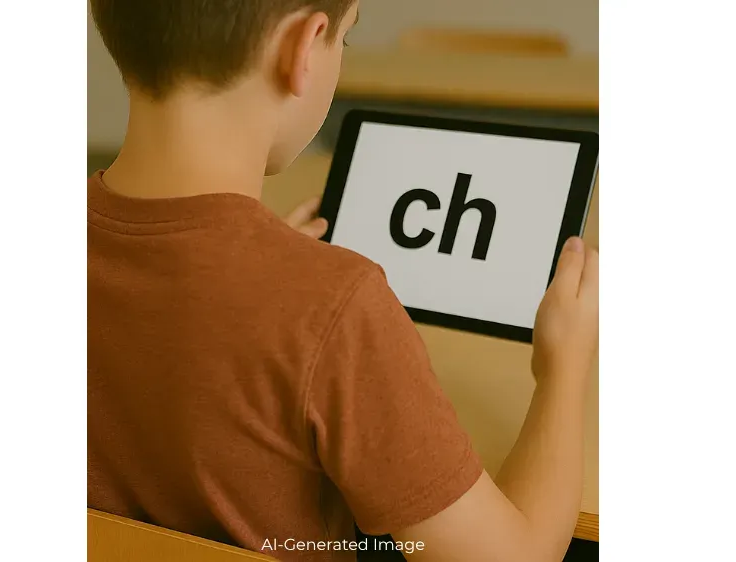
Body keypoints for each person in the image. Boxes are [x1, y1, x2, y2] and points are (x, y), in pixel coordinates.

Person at [87, 1, 599, 561]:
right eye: (345, 39)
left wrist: (260, 275)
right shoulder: (335, 308)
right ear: (303, 47)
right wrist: (564, 368)